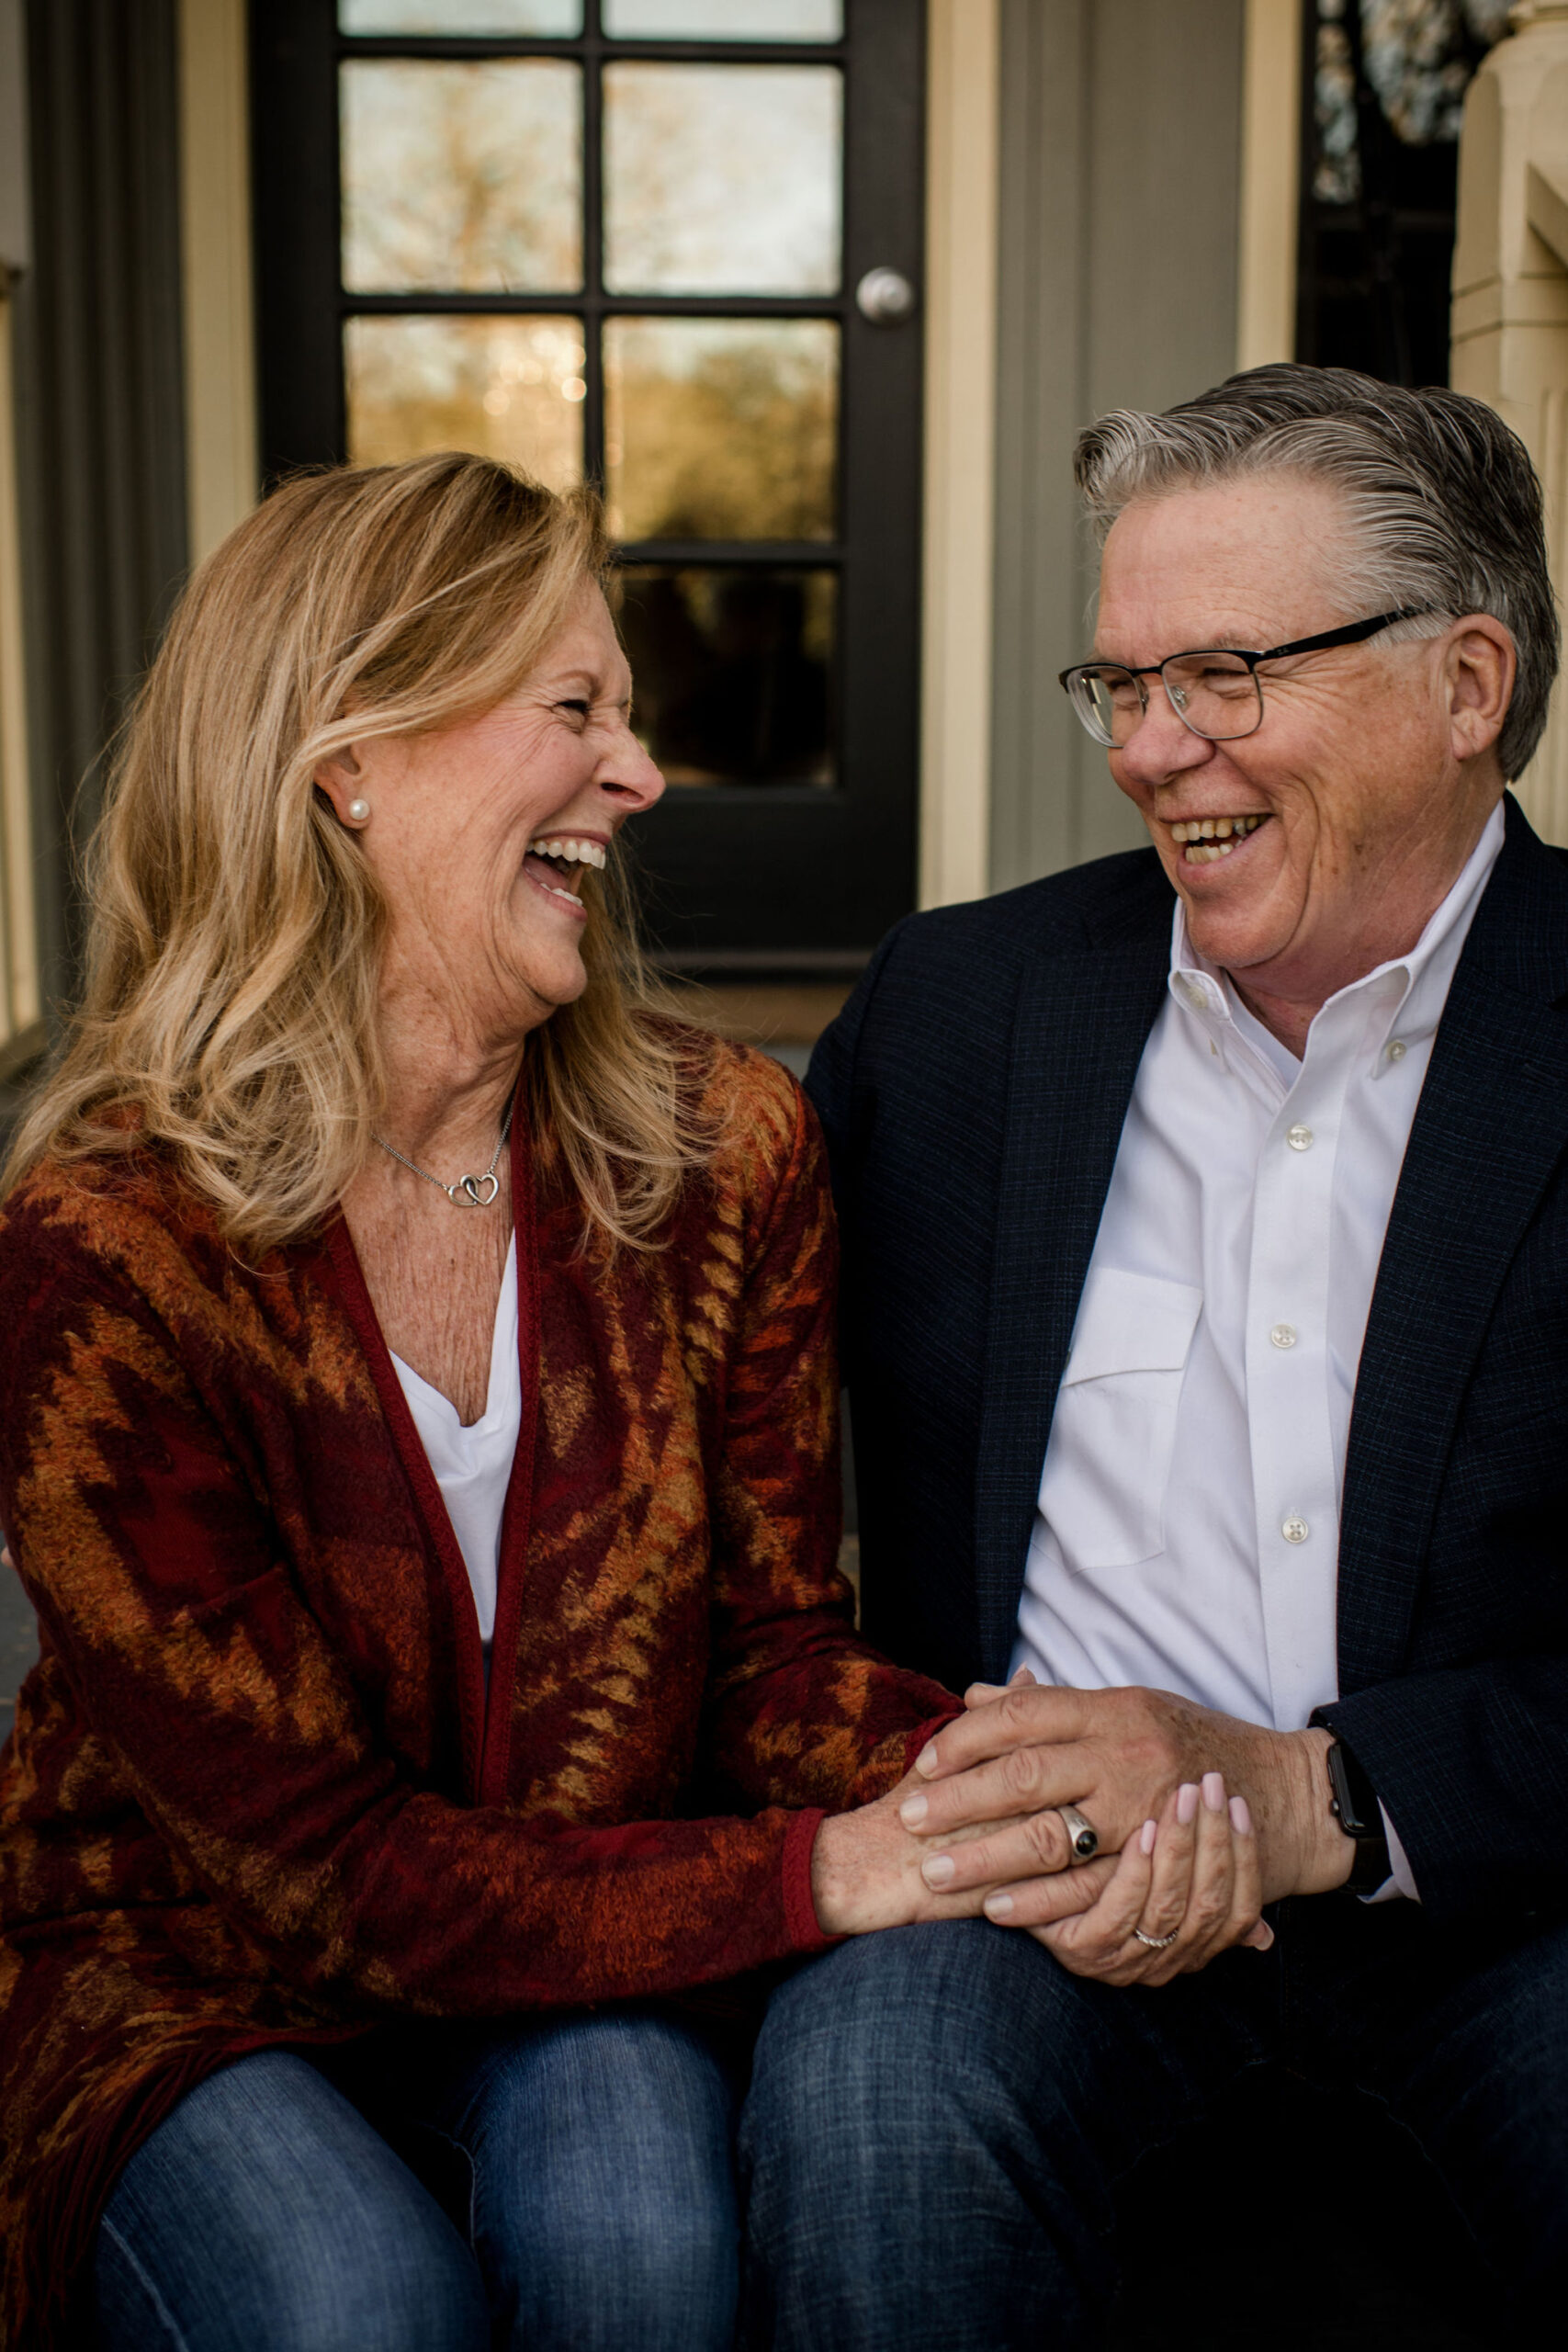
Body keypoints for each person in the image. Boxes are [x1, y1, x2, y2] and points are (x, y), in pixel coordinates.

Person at [0, 453, 1184, 2352]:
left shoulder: (716, 1152)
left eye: (626, 715)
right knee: (347, 2301)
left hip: (598, 1915)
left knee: (641, 2241)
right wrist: (833, 1867)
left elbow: (773, 1658)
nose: (639, 775)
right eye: (576, 710)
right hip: (192, 1962)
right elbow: (325, 1877)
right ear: (347, 762)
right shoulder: (107, 1249)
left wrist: (1053, 1786)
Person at [741, 365, 1568, 2346]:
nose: (1150, 747)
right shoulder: (964, 1005)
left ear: (1464, 680)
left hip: (1500, 1898)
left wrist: (1321, 1796)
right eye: (1118, 684)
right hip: (1040, 1894)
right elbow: (664, 1312)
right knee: (867, 2101)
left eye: (1218, 670)